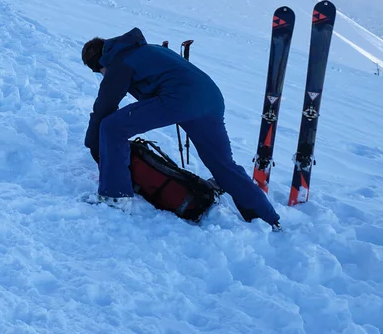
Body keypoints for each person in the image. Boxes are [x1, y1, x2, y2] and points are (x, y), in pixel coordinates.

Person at [82, 30, 282, 226]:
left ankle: (115, 196)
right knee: (223, 164)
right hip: (210, 98)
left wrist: (93, 143)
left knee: (112, 127)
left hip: (180, 99)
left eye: (100, 72)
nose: (103, 75)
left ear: (100, 63)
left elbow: (104, 106)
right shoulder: (144, 50)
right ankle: (265, 217)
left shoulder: (120, 61)